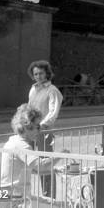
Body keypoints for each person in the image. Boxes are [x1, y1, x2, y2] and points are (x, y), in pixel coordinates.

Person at [0, 104, 67, 207]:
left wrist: (56, 169)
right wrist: (61, 155)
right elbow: (41, 166)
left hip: (13, 196)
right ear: (26, 127)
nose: (40, 130)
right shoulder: (21, 145)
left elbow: (34, 169)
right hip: (14, 200)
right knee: (59, 205)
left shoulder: (14, 140)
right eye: (37, 126)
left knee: (57, 203)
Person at [27, 60, 63, 197]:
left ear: (47, 73)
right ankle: (27, 194)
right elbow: (30, 108)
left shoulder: (52, 90)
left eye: (41, 73)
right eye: (35, 74)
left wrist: (41, 125)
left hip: (43, 132)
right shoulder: (33, 89)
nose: (38, 76)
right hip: (30, 132)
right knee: (27, 162)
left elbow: (53, 112)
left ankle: (49, 197)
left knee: (46, 165)